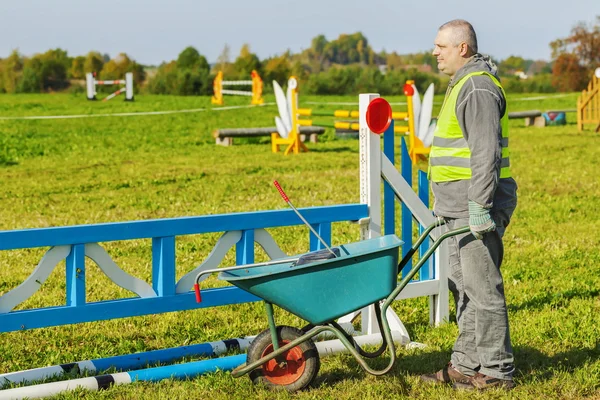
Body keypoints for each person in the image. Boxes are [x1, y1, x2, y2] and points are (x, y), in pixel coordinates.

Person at [419, 19, 518, 390]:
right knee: (465, 289)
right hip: (455, 207)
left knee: (483, 289)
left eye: (440, 46)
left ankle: (495, 371)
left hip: (473, 208)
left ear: (462, 48)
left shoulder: (476, 87)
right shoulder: (463, 83)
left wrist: (479, 206)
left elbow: (485, 154)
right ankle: (465, 363)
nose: (434, 52)